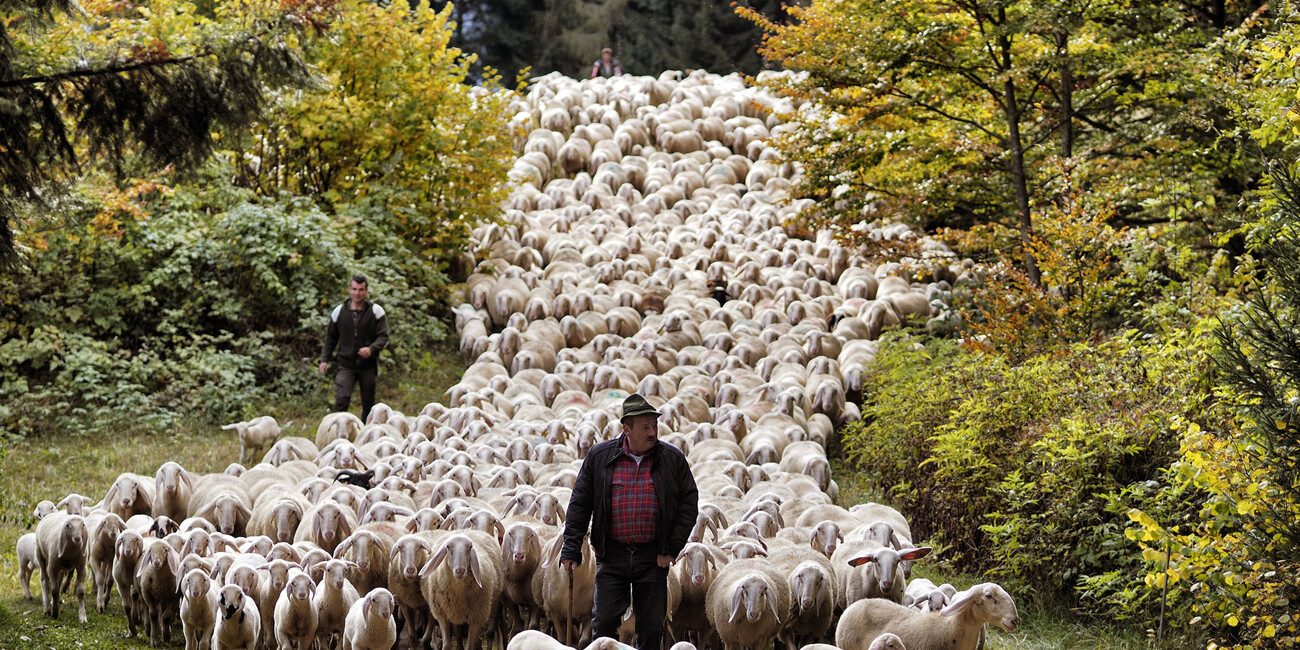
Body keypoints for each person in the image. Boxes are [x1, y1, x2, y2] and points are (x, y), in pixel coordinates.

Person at [560, 393, 698, 650]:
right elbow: (580, 503)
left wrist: (670, 547)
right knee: (603, 625)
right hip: (612, 554)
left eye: (654, 426)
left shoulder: (671, 459)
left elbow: (689, 503)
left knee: (651, 627)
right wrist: (571, 547)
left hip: (652, 557)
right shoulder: (600, 457)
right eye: (645, 427)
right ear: (627, 429)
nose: (652, 432)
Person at [319, 273, 389, 422]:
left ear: (366, 291)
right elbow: (331, 337)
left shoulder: (376, 311)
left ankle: (366, 436)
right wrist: (324, 359)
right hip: (346, 365)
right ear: (349, 290)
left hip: (368, 366)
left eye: (361, 290)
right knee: (341, 399)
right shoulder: (339, 311)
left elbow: (383, 336)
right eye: (355, 289)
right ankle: (335, 436)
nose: (357, 293)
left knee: (368, 403)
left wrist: (371, 349)